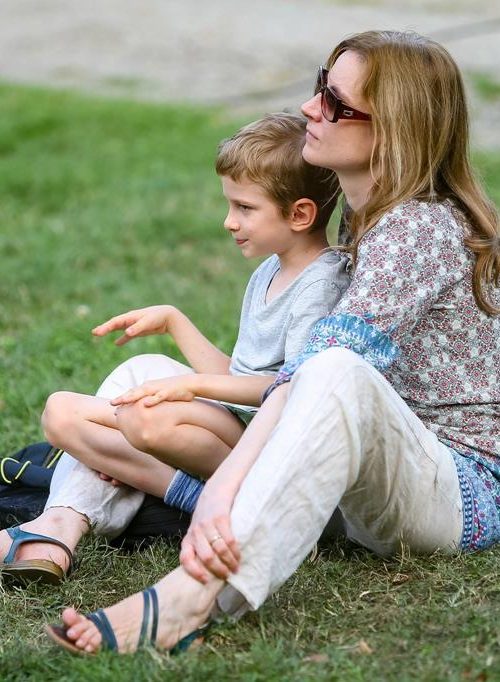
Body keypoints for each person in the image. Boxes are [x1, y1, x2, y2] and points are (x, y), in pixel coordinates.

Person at [43, 29, 500, 655]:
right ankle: (59, 524)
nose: (312, 107)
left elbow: (311, 376)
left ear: (393, 130)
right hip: (372, 470)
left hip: (456, 490)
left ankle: (195, 596)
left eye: (337, 104)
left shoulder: (416, 227)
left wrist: (223, 491)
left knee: (334, 366)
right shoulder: (368, 217)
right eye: (320, 87)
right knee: (149, 371)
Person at [0, 113, 349, 585]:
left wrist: (191, 387)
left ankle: (176, 495)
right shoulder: (271, 269)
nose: (229, 221)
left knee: (101, 417)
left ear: (300, 214)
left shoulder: (320, 284)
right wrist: (173, 321)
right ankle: (61, 524)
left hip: (270, 448)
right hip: (236, 428)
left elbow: (292, 390)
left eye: (245, 207)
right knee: (88, 399)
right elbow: (241, 376)